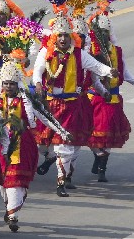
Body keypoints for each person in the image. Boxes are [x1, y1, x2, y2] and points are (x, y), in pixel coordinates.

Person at [32, 14, 114, 196]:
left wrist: (110, 71)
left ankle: (63, 179)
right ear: (55, 37)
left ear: (71, 37)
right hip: (52, 104)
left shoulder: (79, 54)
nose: (62, 39)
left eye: (66, 36)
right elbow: (37, 71)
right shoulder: (46, 52)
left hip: (73, 105)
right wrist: (38, 84)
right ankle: (57, 168)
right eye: (59, 35)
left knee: (70, 144)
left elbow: (96, 67)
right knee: (46, 144)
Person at [85, 10, 134, 182]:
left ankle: (102, 167)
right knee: (87, 133)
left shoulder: (117, 51)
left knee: (108, 134)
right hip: (93, 98)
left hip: (112, 100)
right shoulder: (88, 51)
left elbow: (124, 72)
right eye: (99, 32)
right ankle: (98, 155)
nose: (103, 35)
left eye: (105, 32)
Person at [0, 61, 37, 233]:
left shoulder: (26, 99)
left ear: (17, 84)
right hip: (2, 144)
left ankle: (13, 216)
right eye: (6, 83)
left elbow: (44, 116)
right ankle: (10, 207)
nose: (9, 87)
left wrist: (62, 132)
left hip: (22, 144)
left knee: (15, 181)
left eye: (12, 84)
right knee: (4, 182)